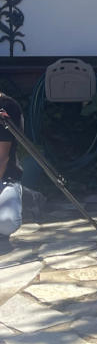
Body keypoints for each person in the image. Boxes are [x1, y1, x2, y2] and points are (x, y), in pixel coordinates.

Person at [0, 93, 24, 252]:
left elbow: (2, 158)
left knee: (6, 222)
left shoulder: (7, 107)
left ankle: (24, 197)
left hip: (4, 177)